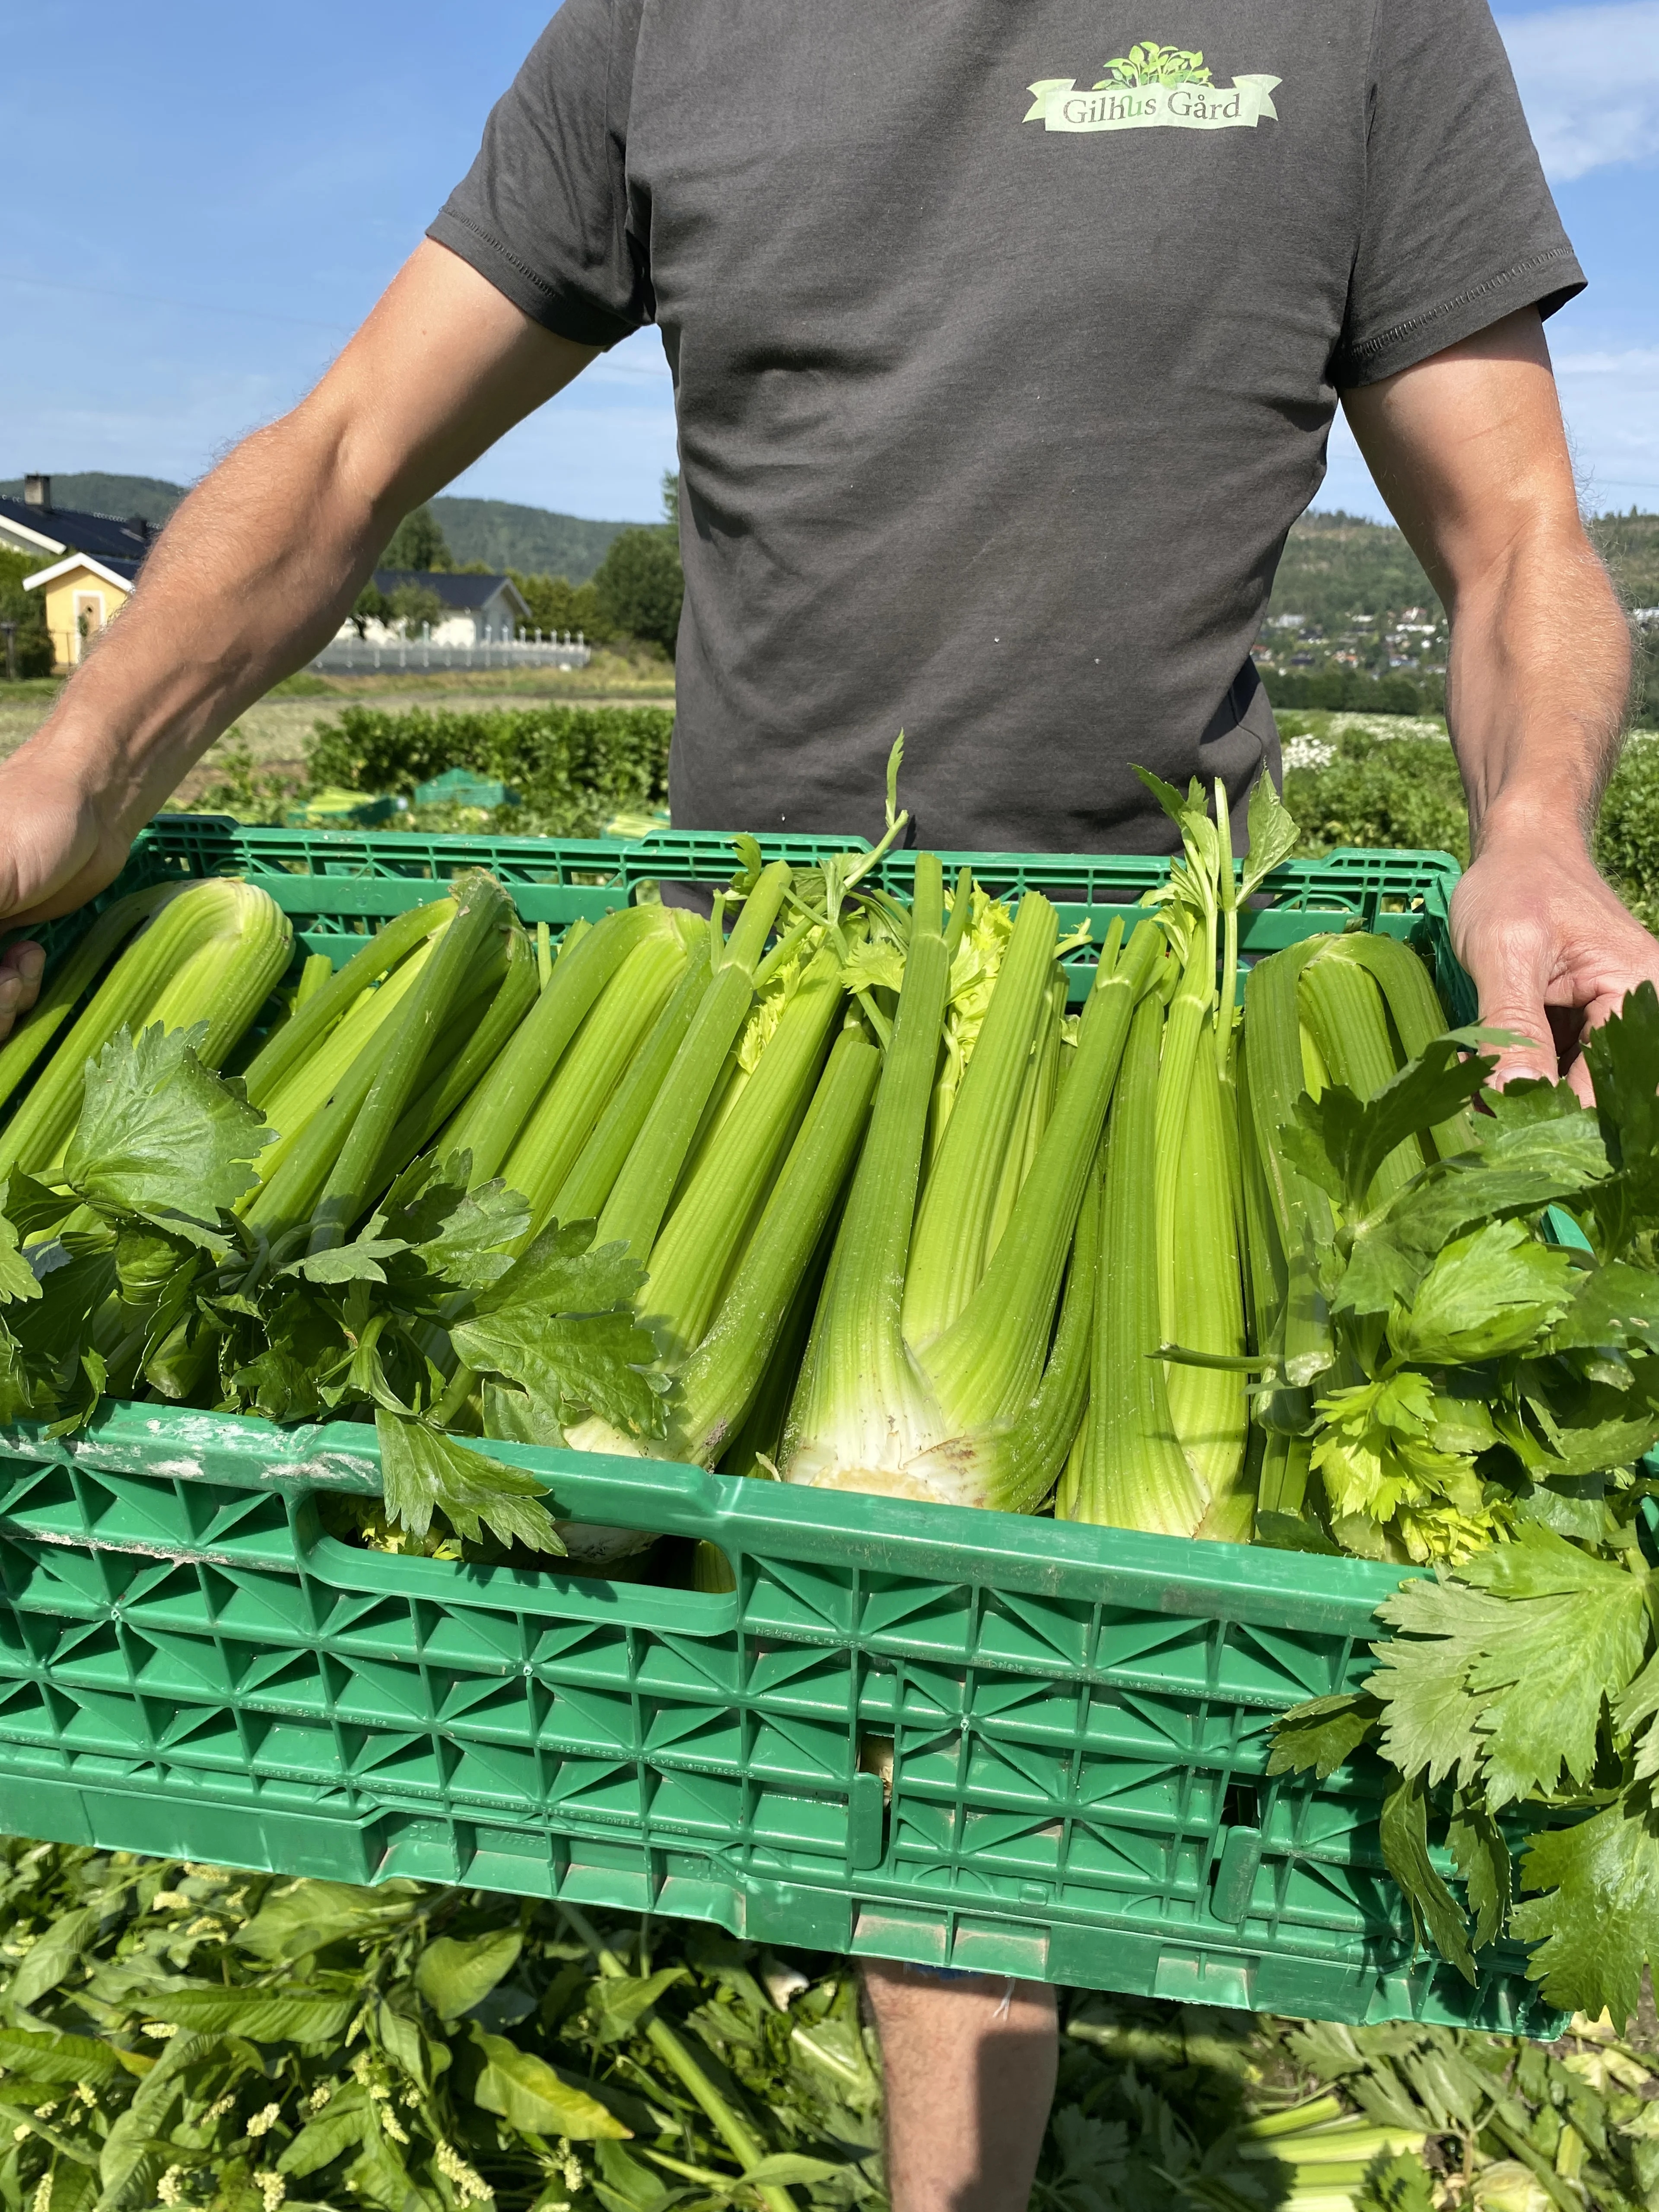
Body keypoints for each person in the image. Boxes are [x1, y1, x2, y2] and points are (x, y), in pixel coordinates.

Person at [0, 0, 1654, 2200]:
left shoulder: (1354, 23)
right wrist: (73, 767)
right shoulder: (665, 21)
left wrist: (1539, 819)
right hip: (770, 982)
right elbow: (341, 459)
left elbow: (1518, 529)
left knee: (974, 1716)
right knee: (728, 1617)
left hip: (1157, 965)